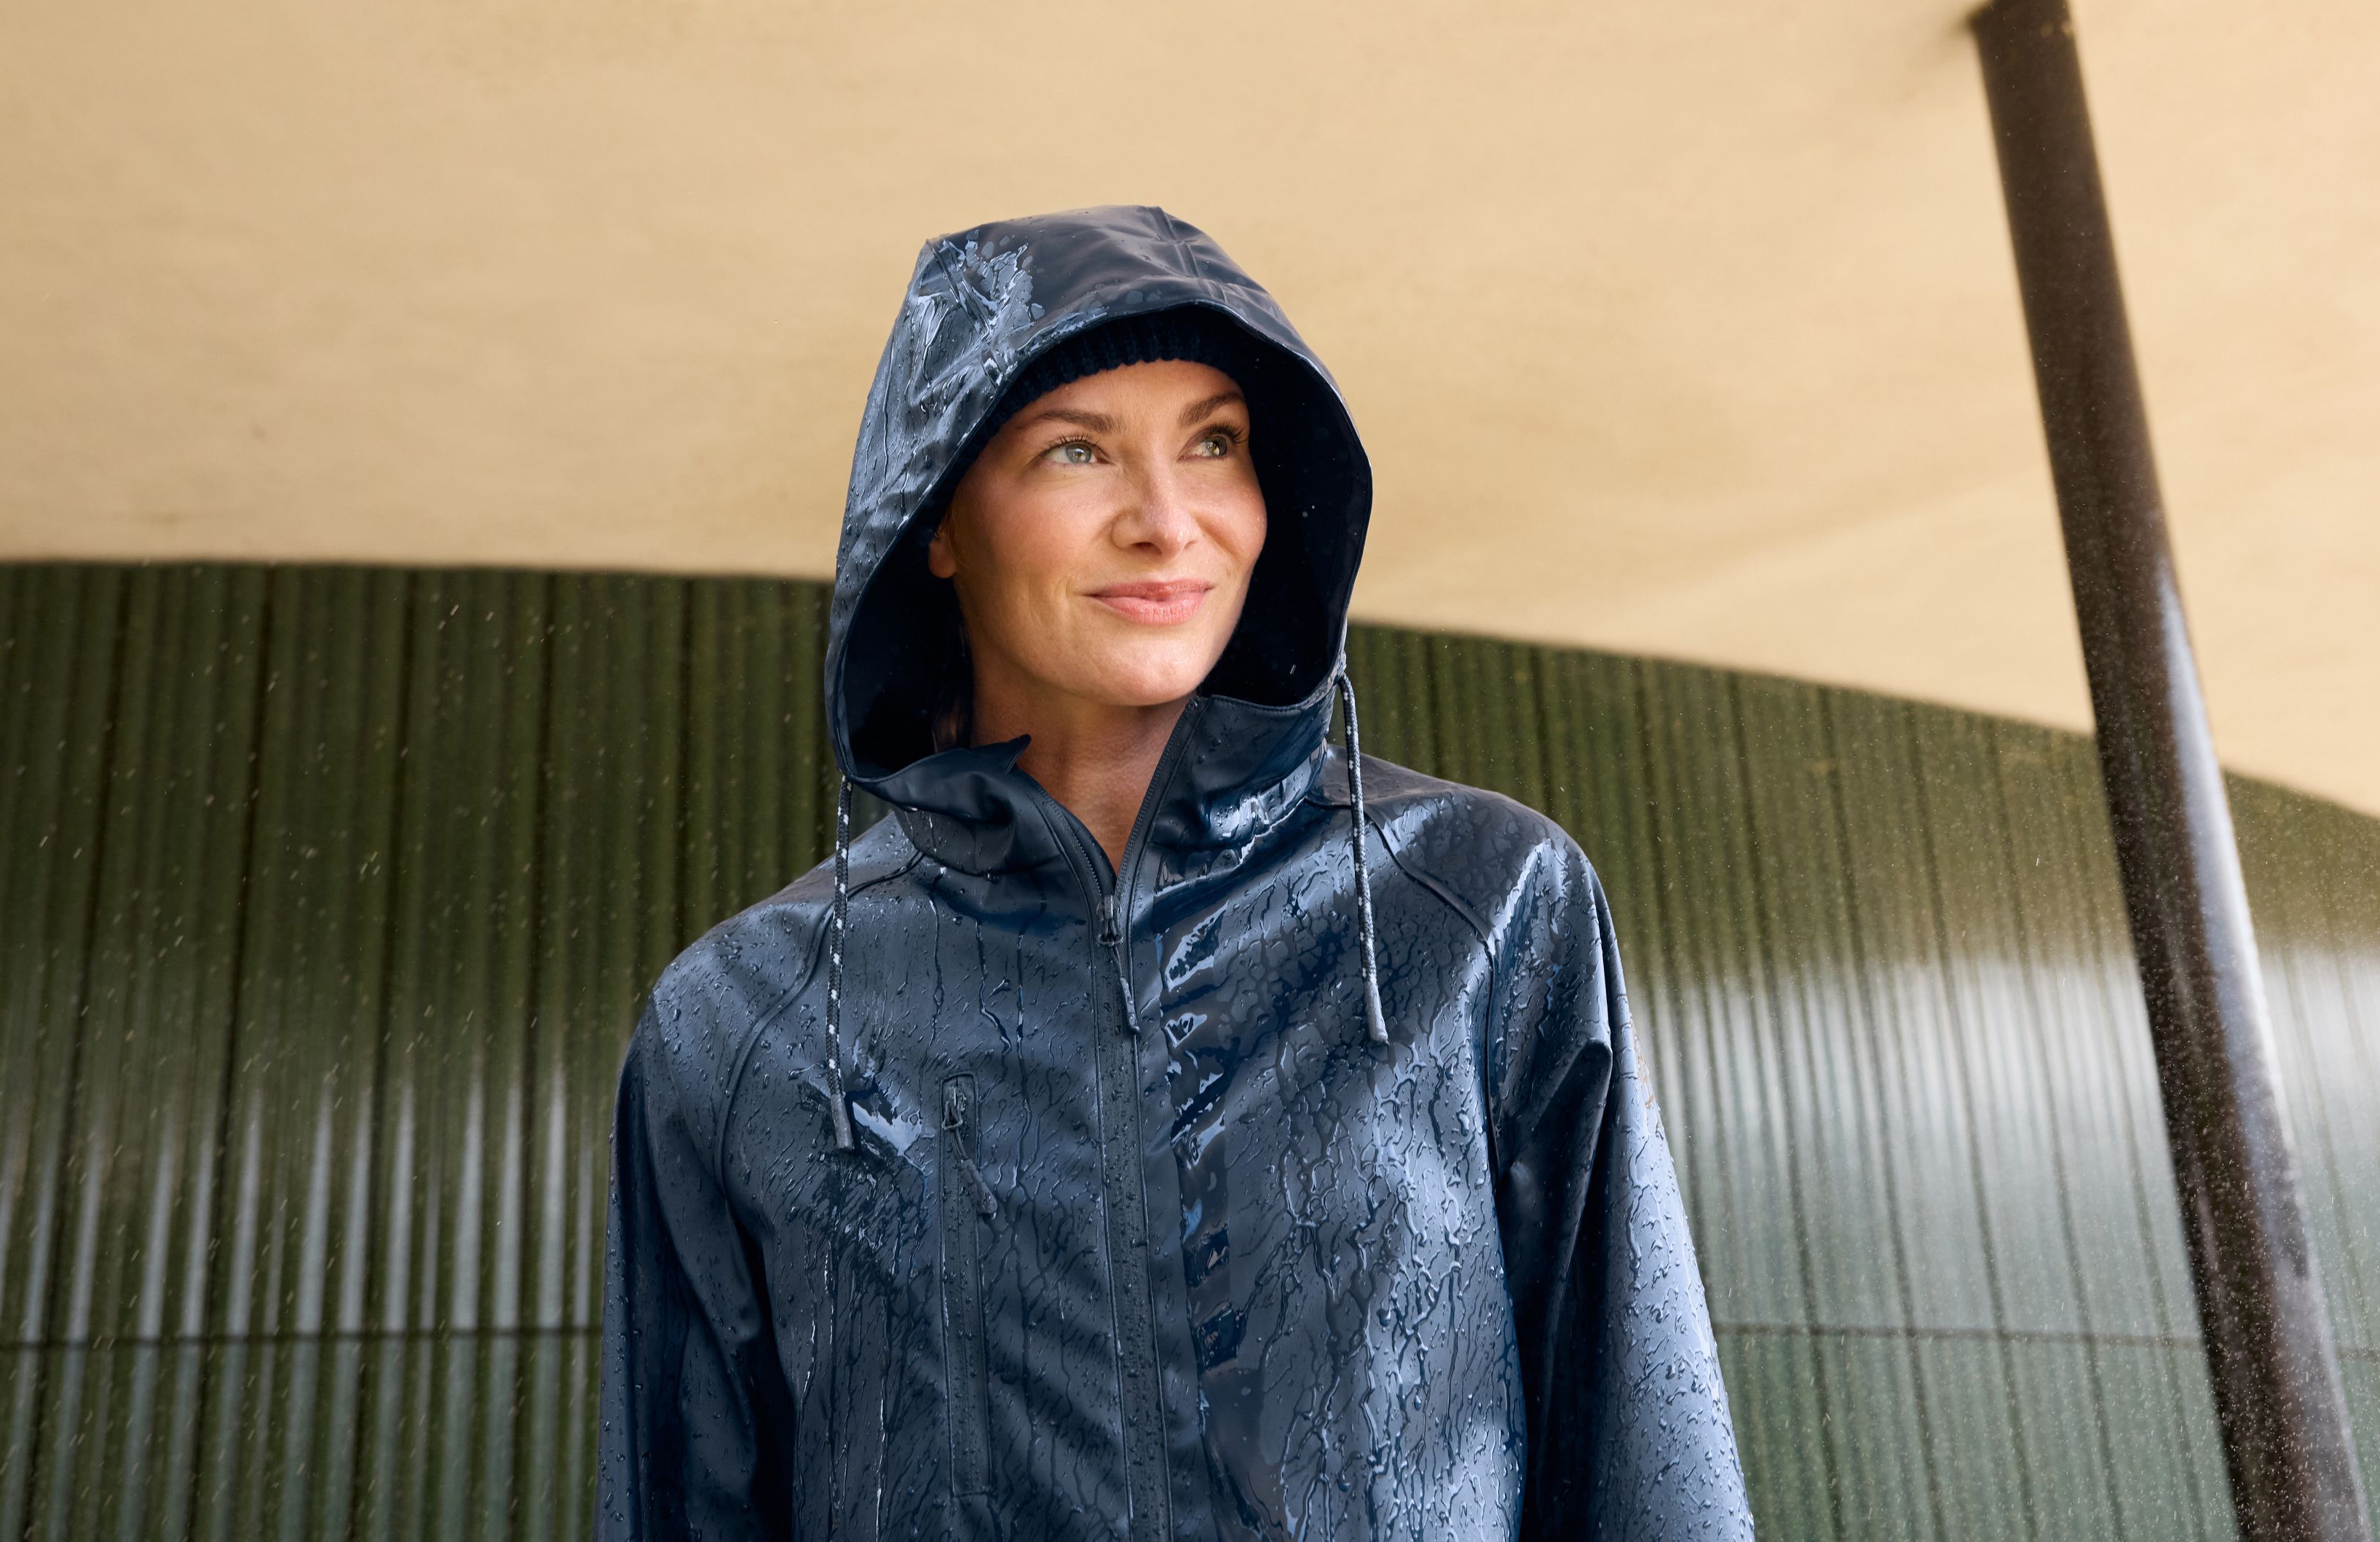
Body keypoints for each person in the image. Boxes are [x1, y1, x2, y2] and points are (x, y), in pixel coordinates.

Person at [601, 205, 1752, 1540]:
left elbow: (1645, 1462)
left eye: (1214, 443)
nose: (1167, 522)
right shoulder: (742, 1017)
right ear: (938, 520)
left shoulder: (1483, 905)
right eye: (1076, 450)